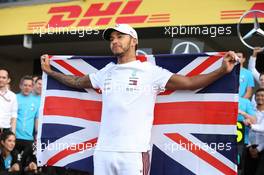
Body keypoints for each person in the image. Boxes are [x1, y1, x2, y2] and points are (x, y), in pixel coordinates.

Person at [40, 24, 238, 175]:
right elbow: (76, 81)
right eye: (111, 38)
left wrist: (221, 70)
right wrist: (50, 71)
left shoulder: (150, 72)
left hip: (134, 153)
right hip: (103, 152)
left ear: (134, 41)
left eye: (120, 36)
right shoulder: (106, 72)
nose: (114, 41)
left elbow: (189, 82)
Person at [15, 76, 40, 171]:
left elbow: (36, 119)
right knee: (15, 166)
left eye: (29, 85)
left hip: (29, 139)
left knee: (28, 166)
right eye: (25, 85)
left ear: (32, 87)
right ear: (20, 86)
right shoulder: (14, 97)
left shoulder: (37, 101)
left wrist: (36, 135)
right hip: (14, 138)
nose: (27, 87)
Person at [242, 88, 264, 175]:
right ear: (255, 98)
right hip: (250, 148)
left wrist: (258, 149)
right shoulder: (250, 111)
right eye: (258, 96)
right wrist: (251, 148)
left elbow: (262, 128)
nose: (260, 97)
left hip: (262, 150)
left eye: (262, 96)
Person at [0, 68, 17, 134]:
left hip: (6, 130)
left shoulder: (13, 96)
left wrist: (13, 134)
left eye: (4, 77)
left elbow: (14, 116)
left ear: (8, 80)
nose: (1, 79)